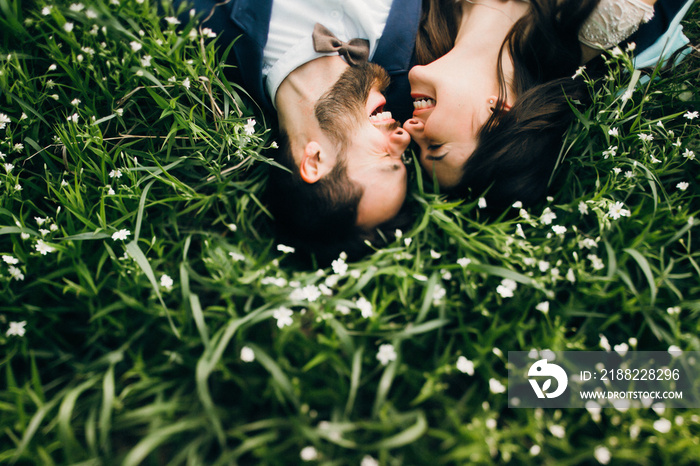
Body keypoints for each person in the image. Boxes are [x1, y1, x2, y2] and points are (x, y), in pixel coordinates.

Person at [168, 0, 423, 263]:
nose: (403, 137)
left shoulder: (202, 27)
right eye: (402, 157)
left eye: (386, 158)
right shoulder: (418, 67)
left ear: (315, 161)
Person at [403, 0, 695, 210]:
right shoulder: (590, 19)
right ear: (498, 114)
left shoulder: (416, 26)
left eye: (419, 147)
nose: (410, 128)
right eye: (435, 146)